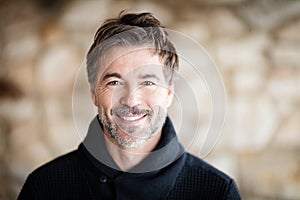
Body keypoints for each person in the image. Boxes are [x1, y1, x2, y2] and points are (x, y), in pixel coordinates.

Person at [18, 11, 241, 199]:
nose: (132, 100)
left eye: (148, 82)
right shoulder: (45, 188)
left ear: (169, 93)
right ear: (94, 94)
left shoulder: (216, 192)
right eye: (115, 82)